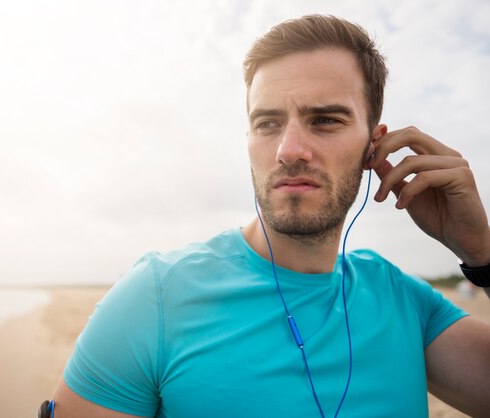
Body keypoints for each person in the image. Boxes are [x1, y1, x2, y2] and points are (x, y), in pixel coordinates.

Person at [47, 15, 490, 417]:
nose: (288, 150)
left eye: (325, 120)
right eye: (268, 123)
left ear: (374, 146)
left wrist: (482, 254)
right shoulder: (157, 297)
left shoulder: (404, 301)